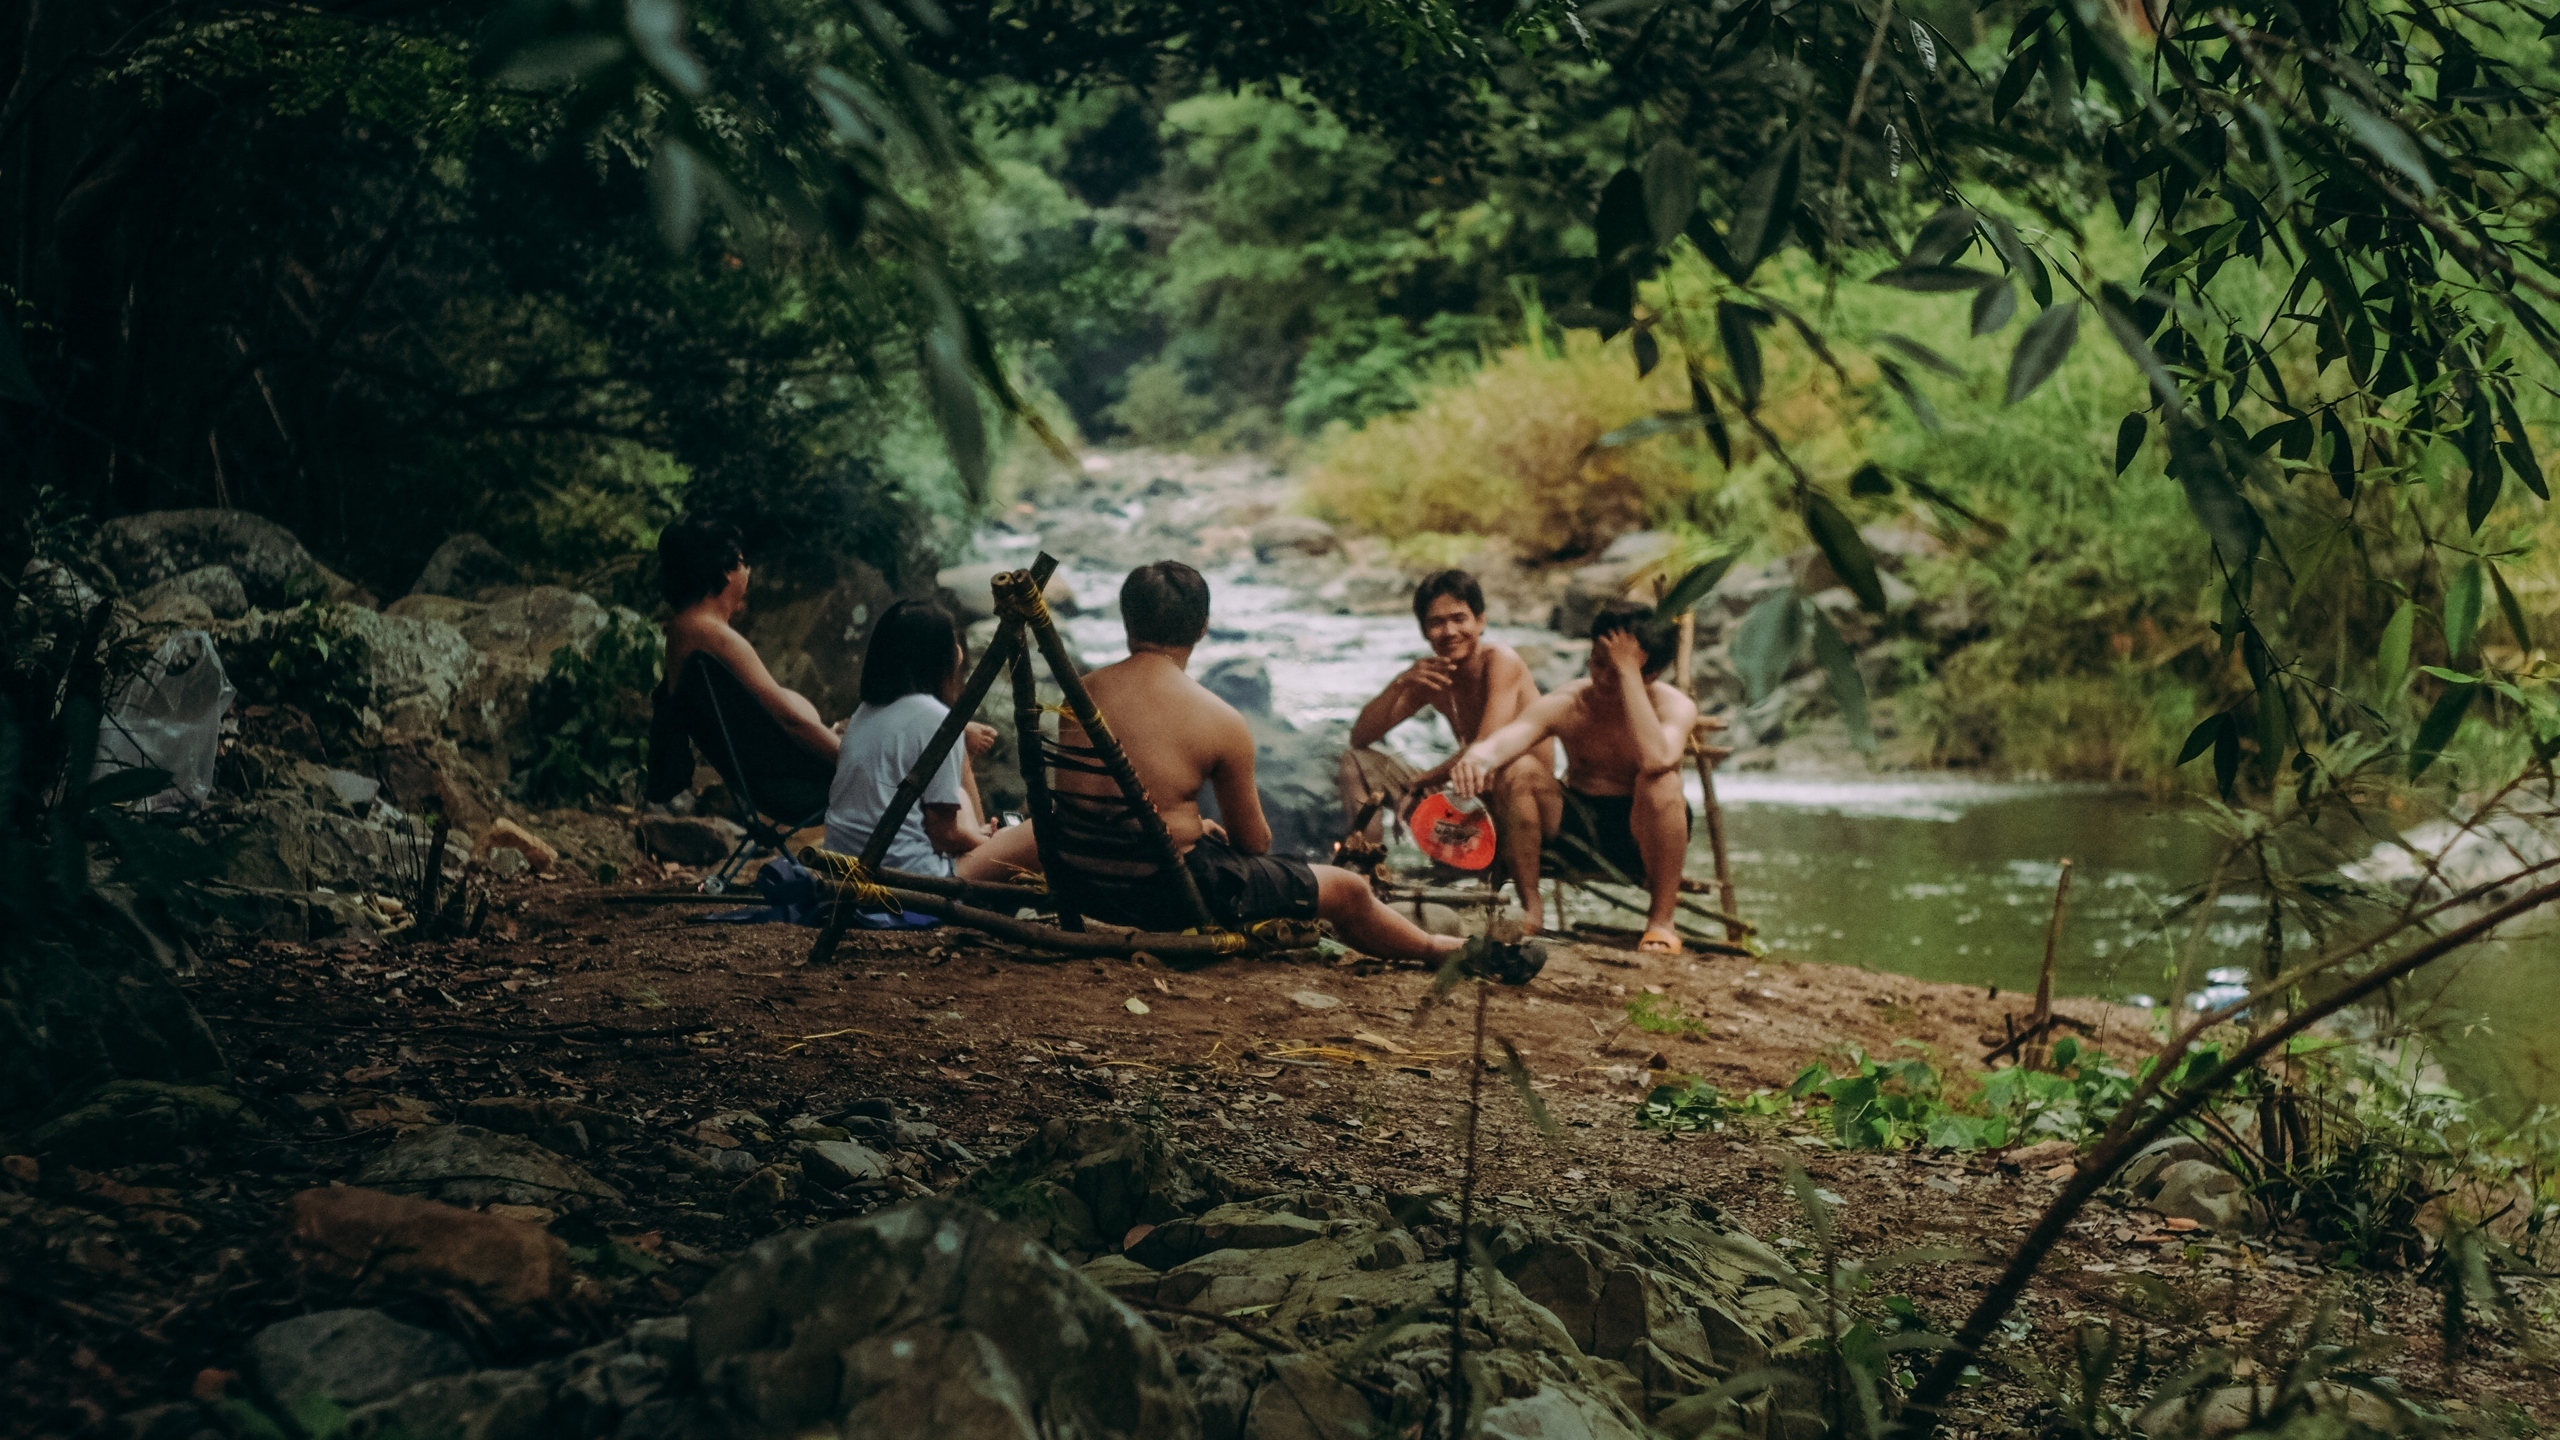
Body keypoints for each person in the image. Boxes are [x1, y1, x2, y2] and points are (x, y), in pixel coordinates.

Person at [970, 562, 1461, 960]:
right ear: (1203, 628)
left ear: (1127, 623)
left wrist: (1186, 823)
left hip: (1080, 875)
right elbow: (1253, 843)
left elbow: (1104, 804)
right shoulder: (1219, 718)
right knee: (1348, 889)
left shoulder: (1082, 692)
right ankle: (1433, 947)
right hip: (1164, 893)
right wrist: (1199, 828)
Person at [1448, 602, 1699, 953]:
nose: (1602, 677)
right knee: (1518, 769)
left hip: (1642, 833)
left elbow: (1656, 758)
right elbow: (1510, 738)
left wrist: (1628, 673)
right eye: (1597, 662)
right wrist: (1477, 758)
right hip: (1574, 827)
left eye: (1616, 670)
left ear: (1652, 675)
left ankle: (1661, 922)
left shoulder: (1674, 706)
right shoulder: (1569, 701)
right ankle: (1531, 907)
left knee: (1662, 781)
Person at [1337, 569, 1560, 904]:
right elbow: (1361, 737)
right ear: (1424, 630)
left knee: (1508, 768)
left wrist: (1424, 780)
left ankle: (1525, 902)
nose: (1449, 631)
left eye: (1460, 619)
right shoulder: (1435, 674)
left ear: (1481, 620)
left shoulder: (1501, 661)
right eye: (1436, 622)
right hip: (1470, 802)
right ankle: (1369, 877)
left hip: (1523, 805)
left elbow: (1487, 749)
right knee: (1355, 762)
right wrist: (1402, 682)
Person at [823, 599, 1009, 878]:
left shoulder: (866, 711)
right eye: (951, 642)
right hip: (907, 878)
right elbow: (944, 835)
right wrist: (988, 845)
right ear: (936, 656)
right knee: (1036, 836)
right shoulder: (936, 719)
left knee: (958, 796)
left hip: (842, 868)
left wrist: (974, 836)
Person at [657, 518, 837, 763]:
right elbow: (790, 722)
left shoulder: (683, 629)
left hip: (754, 769)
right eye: (742, 562)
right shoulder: (717, 637)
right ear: (725, 571)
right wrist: (847, 757)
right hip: (783, 774)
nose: (748, 572)